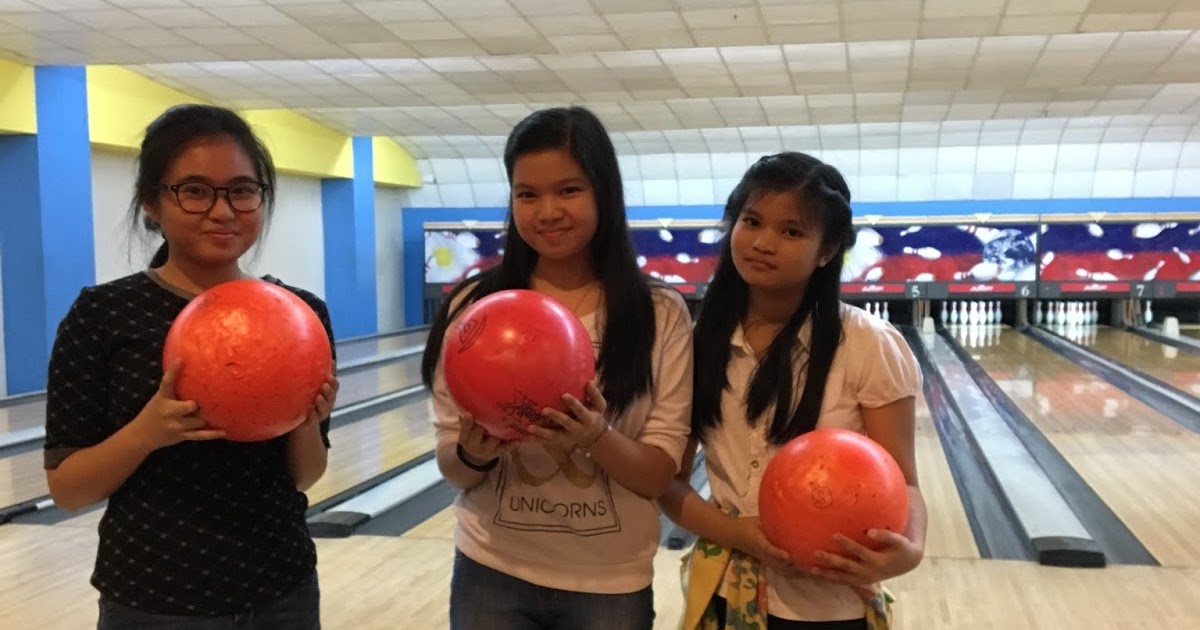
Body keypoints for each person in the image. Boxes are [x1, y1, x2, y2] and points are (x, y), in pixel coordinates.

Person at [43, 103, 338, 629]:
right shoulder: (103, 315)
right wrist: (147, 432)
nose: (223, 211)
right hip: (155, 597)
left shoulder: (301, 315)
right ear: (151, 203)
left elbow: (305, 476)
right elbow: (67, 489)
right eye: (195, 190)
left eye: (243, 190)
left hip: (281, 590)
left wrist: (306, 423)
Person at [420, 106, 694, 630]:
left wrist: (596, 435)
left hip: (609, 584)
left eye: (569, 190)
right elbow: (452, 470)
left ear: (604, 194)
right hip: (490, 568)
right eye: (527, 194)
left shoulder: (659, 313)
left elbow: (661, 471)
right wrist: (473, 455)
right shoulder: (475, 311)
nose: (547, 211)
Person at [659, 152, 926, 629]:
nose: (764, 243)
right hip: (724, 591)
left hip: (831, 607)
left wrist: (910, 551)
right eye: (752, 221)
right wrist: (735, 533)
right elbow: (669, 482)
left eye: (792, 231)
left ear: (827, 250)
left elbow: (904, 482)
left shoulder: (869, 345)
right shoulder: (699, 342)